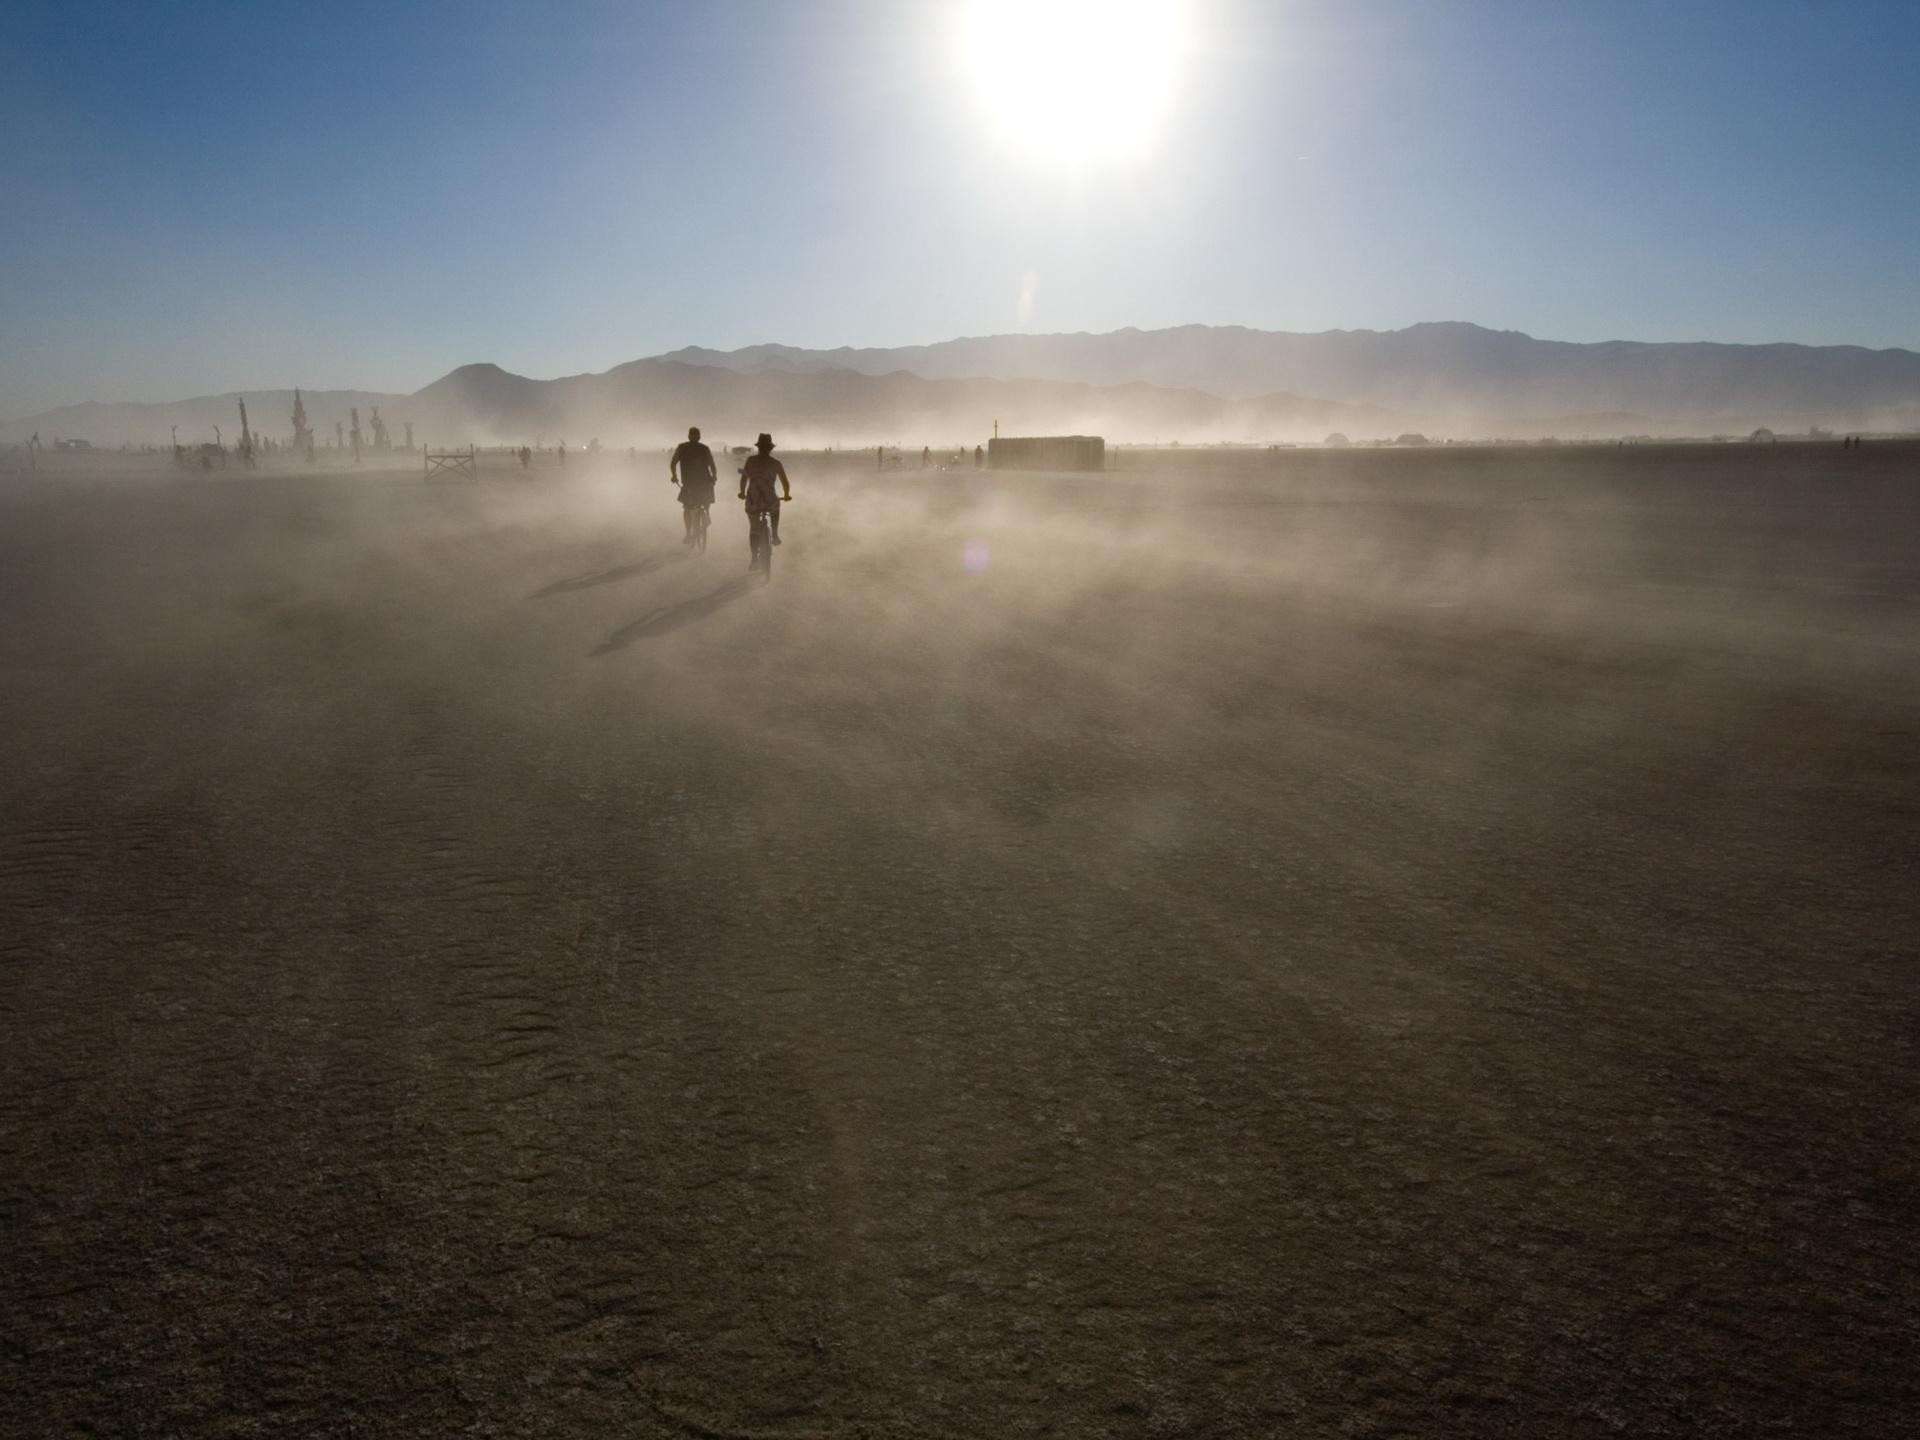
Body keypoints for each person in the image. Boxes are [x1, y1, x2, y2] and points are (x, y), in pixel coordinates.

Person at [738, 432, 792, 556]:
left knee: (754, 529)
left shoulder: (750, 461)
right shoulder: (776, 463)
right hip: (770, 499)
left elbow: (743, 479)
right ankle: (774, 534)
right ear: (770, 448)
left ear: (758, 447)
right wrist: (787, 495)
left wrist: (741, 492)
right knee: (775, 510)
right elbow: (785, 482)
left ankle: (754, 559)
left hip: (753, 499)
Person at [670, 426, 718, 543]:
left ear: (688, 436)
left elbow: (673, 463)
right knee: (705, 501)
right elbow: (712, 465)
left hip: (689, 483)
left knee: (687, 508)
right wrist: (714, 476)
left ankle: (688, 534)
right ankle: (706, 514)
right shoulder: (705, 448)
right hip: (705, 483)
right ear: (699, 437)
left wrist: (674, 476)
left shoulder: (682, 447)